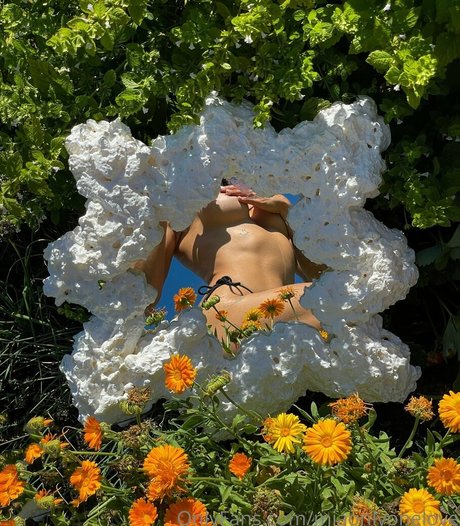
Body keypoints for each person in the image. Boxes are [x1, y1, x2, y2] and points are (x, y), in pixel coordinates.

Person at [134, 179, 326, 344]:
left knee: (334, 297)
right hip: (229, 309)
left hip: (285, 308)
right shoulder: (184, 197)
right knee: (327, 303)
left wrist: (288, 213)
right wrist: (154, 206)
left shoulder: (271, 194)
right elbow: (141, 287)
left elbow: (321, 276)